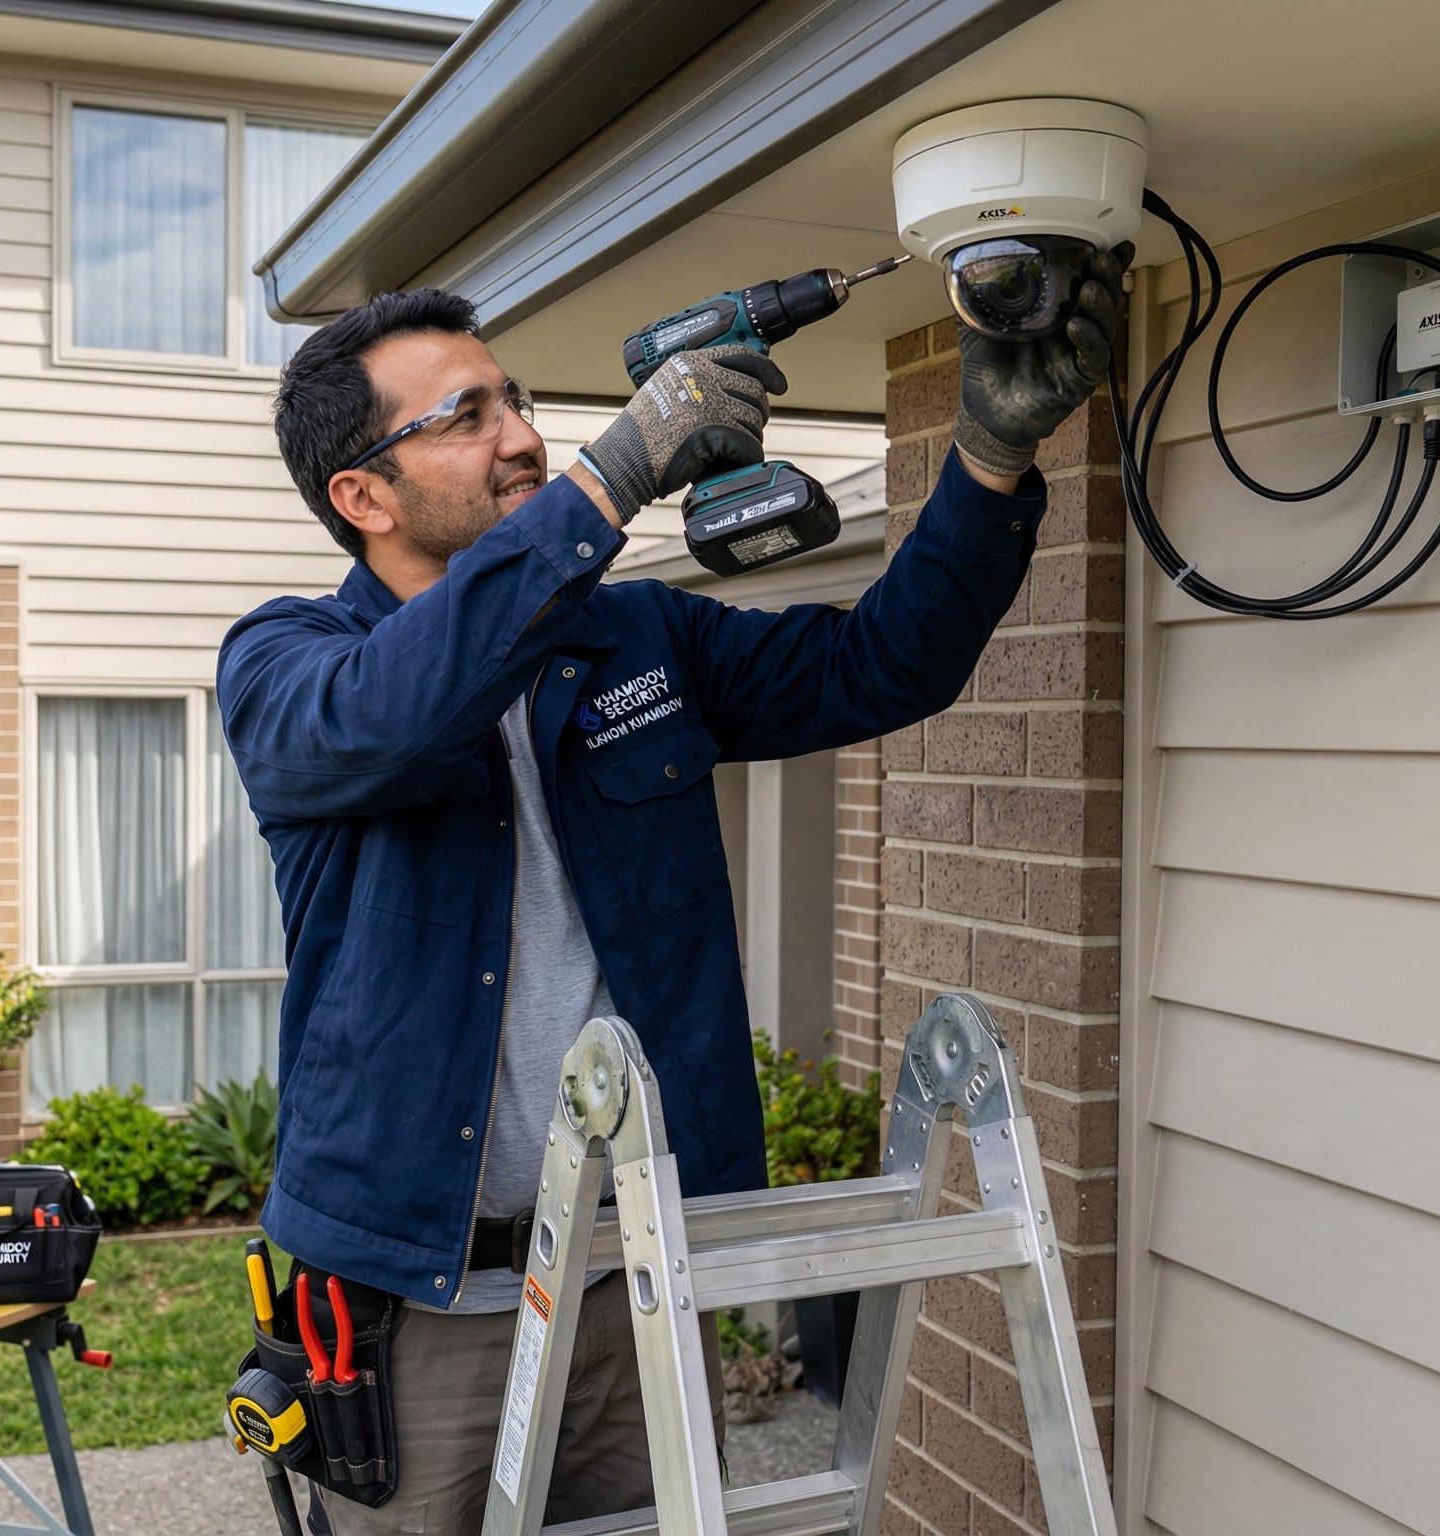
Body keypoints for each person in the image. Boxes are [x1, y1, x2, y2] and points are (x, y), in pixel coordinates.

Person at [218, 254, 1128, 1533]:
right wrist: (616, 473)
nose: (522, 438)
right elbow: (403, 711)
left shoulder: (640, 637)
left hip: (642, 1274)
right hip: (426, 1312)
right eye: (466, 418)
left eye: (515, 401)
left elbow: (885, 664)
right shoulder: (288, 666)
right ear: (360, 493)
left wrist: (985, 455)